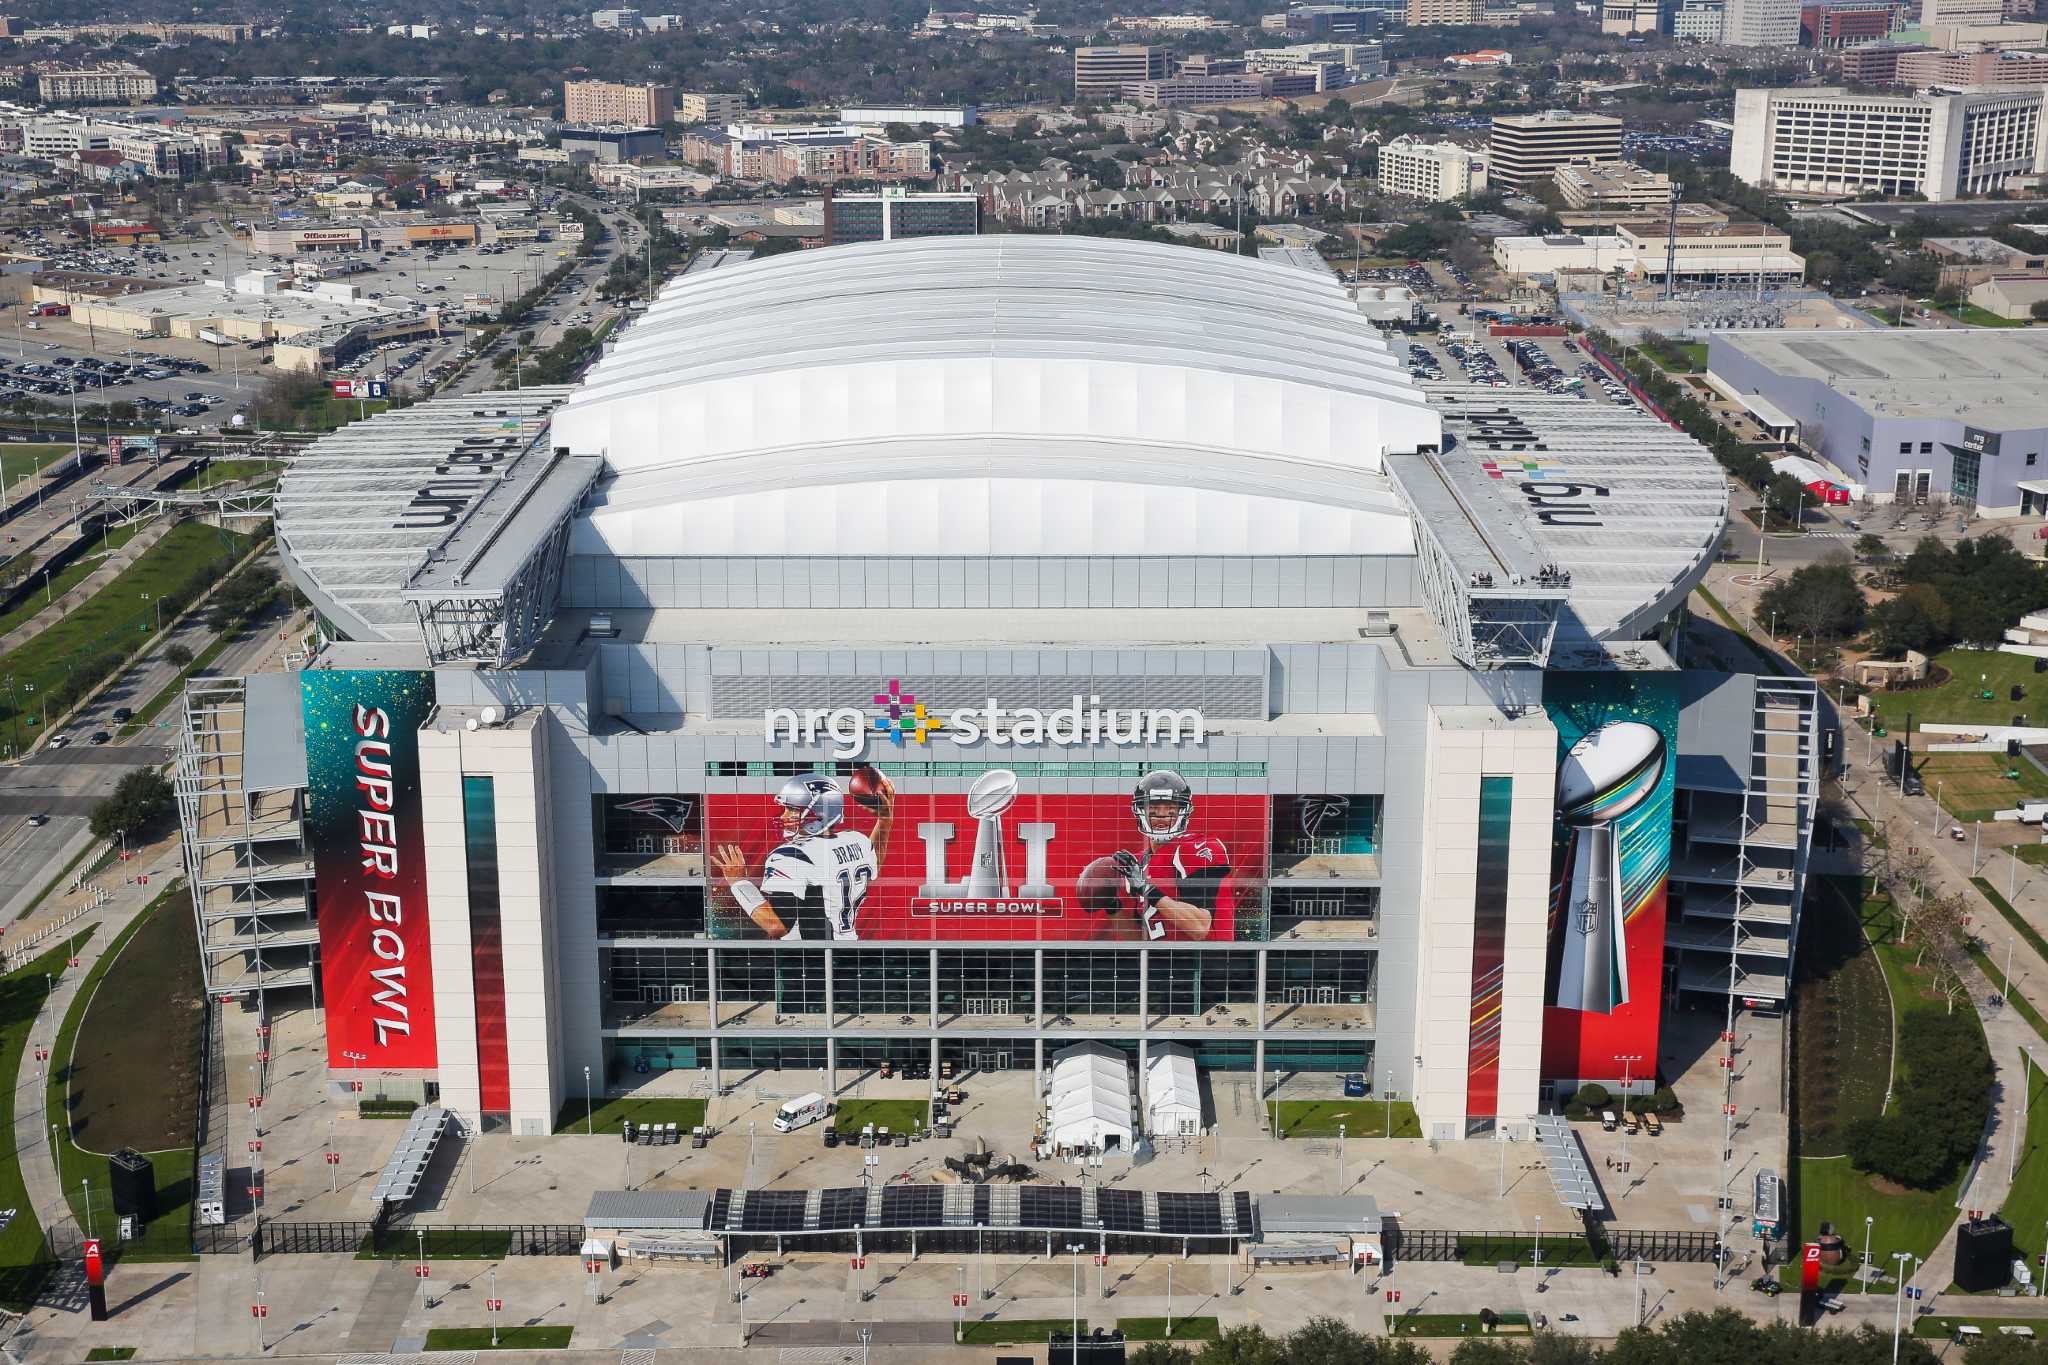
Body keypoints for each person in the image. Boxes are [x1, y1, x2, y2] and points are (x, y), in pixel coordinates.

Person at [708, 770, 895, 940]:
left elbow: (777, 926)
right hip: (849, 952)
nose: (783, 816)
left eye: (792, 810)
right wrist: (885, 818)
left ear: (818, 814)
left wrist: (739, 882)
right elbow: (875, 860)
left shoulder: (791, 856)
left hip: (810, 962)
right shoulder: (856, 841)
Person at [1108, 768, 1236, 941]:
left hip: (1203, 963)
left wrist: (1147, 888)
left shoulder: (1196, 848)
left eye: (1170, 808)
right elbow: (1136, 936)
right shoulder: (1137, 863)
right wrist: (1110, 905)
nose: (1161, 815)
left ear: (1183, 811)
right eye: (1153, 808)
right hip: (1161, 963)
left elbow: (1200, 927)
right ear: (1141, 811)